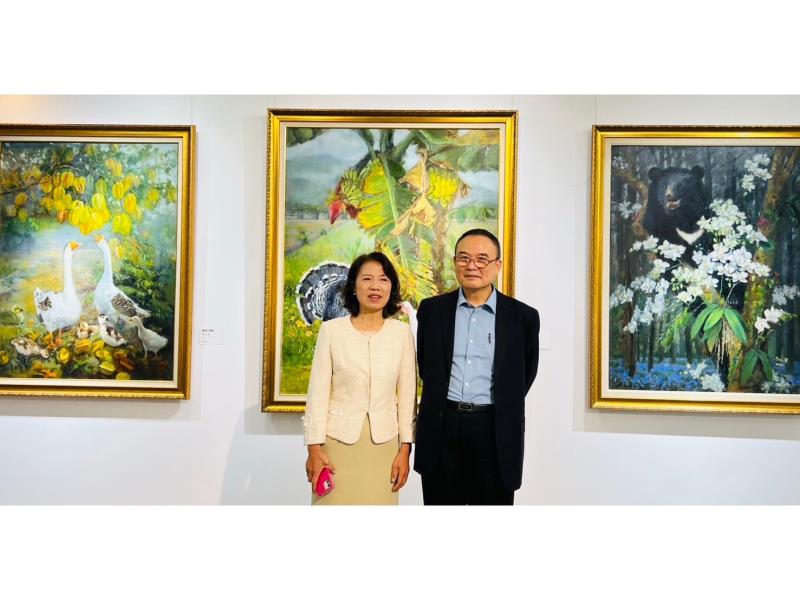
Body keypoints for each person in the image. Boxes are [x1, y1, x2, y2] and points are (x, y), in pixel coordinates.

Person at [413, 229, 540, 505]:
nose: (472, 266)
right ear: (455, 262)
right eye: (464, 258)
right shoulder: (432, 311)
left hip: (494, 431)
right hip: (442, 426)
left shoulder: (523, 318)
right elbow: (426, 365)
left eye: (482, 259)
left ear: (497, 265)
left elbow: (524, 375)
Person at [303, 252, 416, 505]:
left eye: (383, 279)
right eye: (367, 279)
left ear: (391, 287)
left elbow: (408, 395)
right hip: (336, 444)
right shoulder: (332, 331)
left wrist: (405, 449)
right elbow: (317, 393)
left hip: (385, 447)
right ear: (354, 286)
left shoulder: (401, 334)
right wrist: (314, 448)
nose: (375, 286)